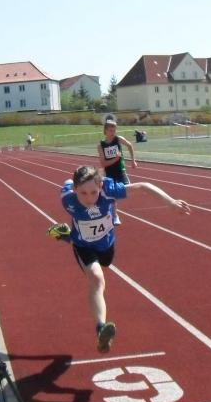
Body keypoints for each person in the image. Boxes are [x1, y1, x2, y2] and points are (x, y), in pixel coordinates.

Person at [48, 165, 190, 353]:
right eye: (83, 193)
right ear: (75, 189)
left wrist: (170, 202)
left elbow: (143, 186)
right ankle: (101, 328)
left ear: (100, 186)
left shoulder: (109, 191)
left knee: (106, 263)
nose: (89, 198)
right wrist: (71, 179)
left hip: (106, 244)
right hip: (84, 246)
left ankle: (64, 234)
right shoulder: (68, 198)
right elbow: (67, 182)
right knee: (97, 279)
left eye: (93, 192)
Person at [98, 118, 137, 225]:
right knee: (113, 195)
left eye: (114, 130)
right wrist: (115, 159)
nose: (113, 133)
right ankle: (115, 215)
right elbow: (103, 163)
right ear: (105, 131)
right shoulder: (101, 145)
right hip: (109, 173)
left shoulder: (118, 139)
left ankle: (110, 207)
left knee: (128, 189)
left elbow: (129, 145)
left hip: (120, 170)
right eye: (110, 130)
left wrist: (133, 160)